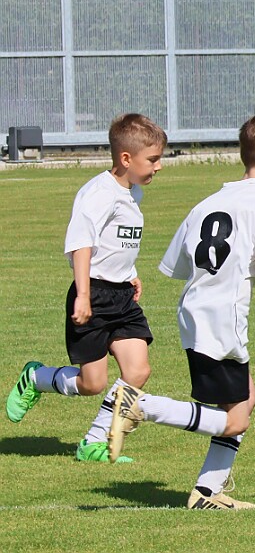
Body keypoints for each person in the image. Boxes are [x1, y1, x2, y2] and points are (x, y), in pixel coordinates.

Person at [106, 108, 255, 510]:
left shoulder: (209, 202)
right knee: (237, 419)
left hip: (193, 313)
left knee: (246, 397)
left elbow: (177, 266)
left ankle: (206, 493)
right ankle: (141, 406)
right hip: (223, 320)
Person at [5, 114, 166, 464]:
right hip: (93, 293)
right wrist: (82, 294)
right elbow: (81, 244)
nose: (159, 166)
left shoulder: (133, 191)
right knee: (92, 383)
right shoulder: (98, 193)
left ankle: (93, 443)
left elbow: (117, 241)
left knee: (138, 371)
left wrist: (130, 273)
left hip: (122, 297)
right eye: (153, 159)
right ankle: (36, 378)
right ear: (126, 158)